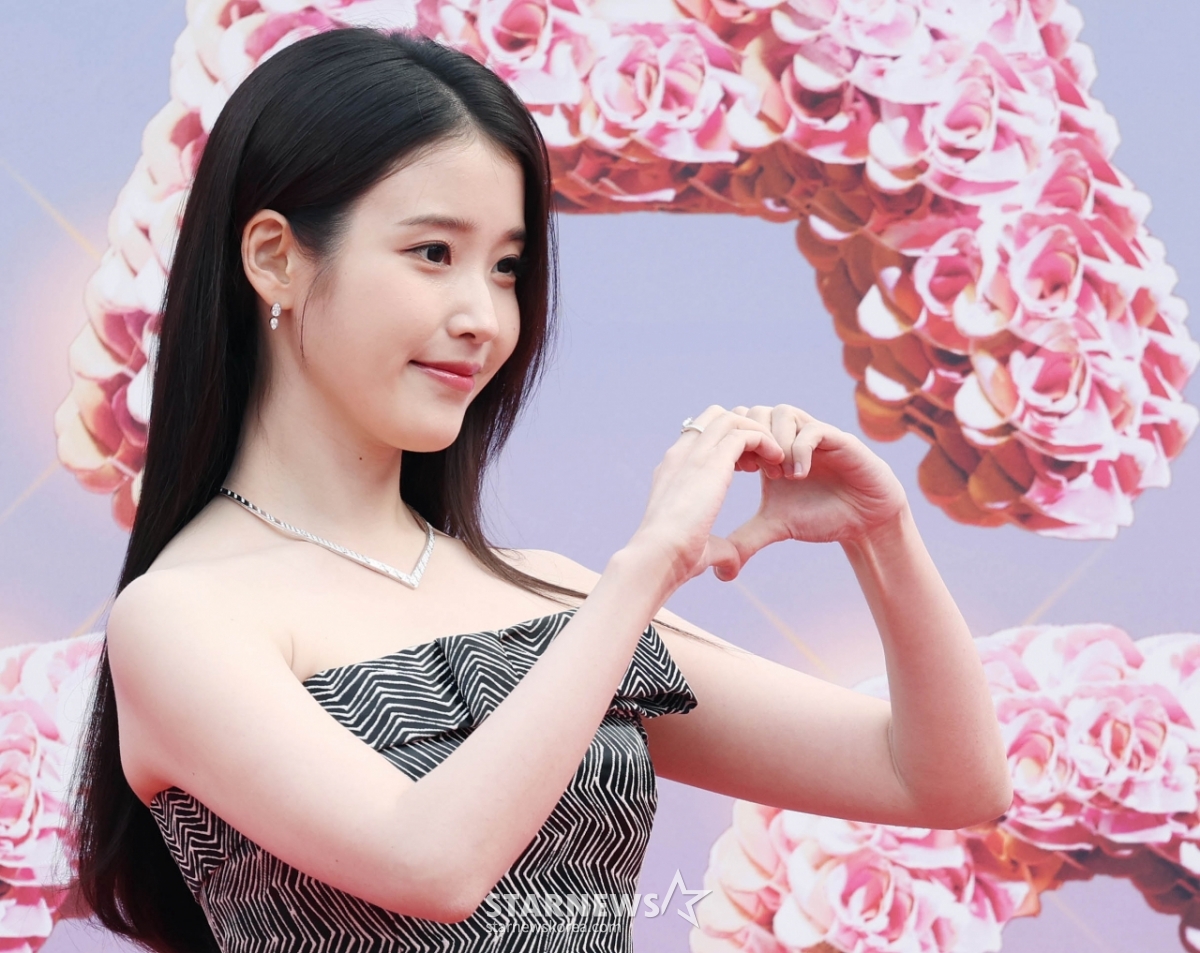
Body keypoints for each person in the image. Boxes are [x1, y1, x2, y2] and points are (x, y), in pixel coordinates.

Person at [68, 25, 1012, 953]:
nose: (483, 317)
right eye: (433, 253)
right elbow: (433, 862)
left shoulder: (551, 597)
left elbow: (943, 780)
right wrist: (645, 569)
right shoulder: (184, 616)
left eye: (507, 268)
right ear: (275, 255)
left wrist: (882, 536)